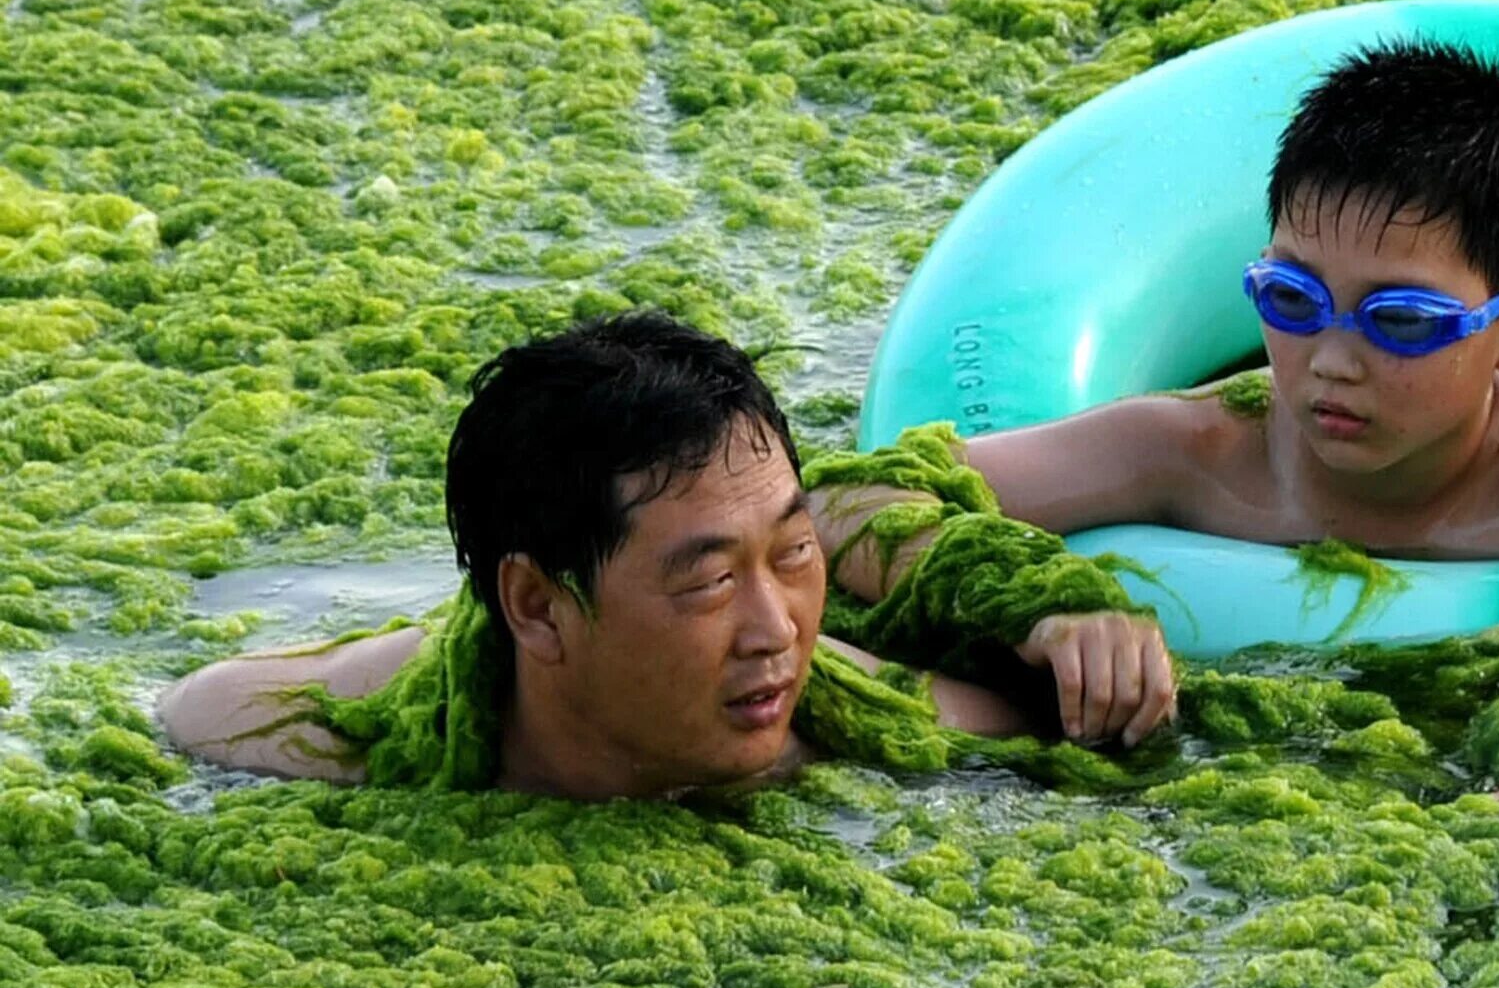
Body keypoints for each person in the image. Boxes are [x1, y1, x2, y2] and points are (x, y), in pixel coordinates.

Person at [814, 38, 1499, 818]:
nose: (1333, 360)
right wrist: (1046, 605)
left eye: (1402, 320)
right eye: (1292, 302)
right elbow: (837, 500)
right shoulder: (1204, 451)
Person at [158, 313, 1177, 800]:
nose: (776, 631)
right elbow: (194, 708)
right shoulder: (335, 743)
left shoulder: (864, 725)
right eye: (709, 579)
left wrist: (1060, 627)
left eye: (790, 556)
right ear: (537, 606)